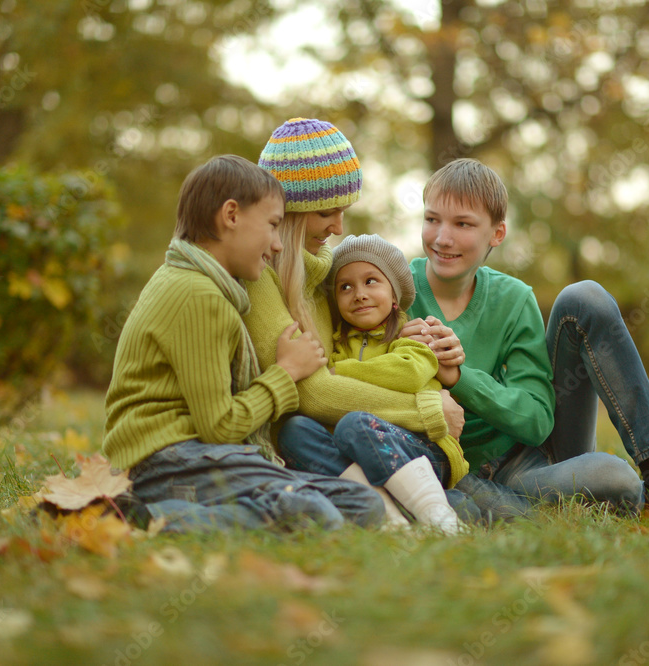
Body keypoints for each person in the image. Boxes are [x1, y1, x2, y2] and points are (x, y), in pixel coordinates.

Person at [403, 158, 649, 517]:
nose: (442, 237)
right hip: (448, 469)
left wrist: (459, 378)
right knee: (617, 481)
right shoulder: (393, 291)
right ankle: (613, 500)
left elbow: (537, 421)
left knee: (585, 297)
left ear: (497, 234)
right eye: (432, 219)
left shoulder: (514, 299)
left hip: (528, 464)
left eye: (462, 223)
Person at [101, 154, 384, 533]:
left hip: (196, 456)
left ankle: (176, 509)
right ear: (231, 215)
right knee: (315, 515)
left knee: (361, 503)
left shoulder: (206, 286)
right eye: (271, 226)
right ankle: (134, 518)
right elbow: (219, 426)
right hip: (163, 458)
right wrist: (286, 372)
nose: (277, 244)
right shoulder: (196, 294)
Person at [244, 118, 484, 526]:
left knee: (474, 506)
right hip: (328, 435)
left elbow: (390, 355)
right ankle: (392, 517)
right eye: (327, 212)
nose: (338, 227)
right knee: (297, 430)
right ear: (290, 211)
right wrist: (425, 409)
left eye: (343, 211)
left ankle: (421, 510)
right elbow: (311, 393)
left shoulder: (320, 277)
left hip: (378, 437)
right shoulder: (260, 277)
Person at [277, 234, 472, 534]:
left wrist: (340, 371)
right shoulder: (337, 345)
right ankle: (390, 522)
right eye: (345, 287)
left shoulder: (412, 336)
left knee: (354, 424)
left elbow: (407, 373)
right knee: (295, 430)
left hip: (422, 448)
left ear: (394, 295)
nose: (359, 294)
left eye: (371, 281)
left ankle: (441, 519)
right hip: (358, 446)